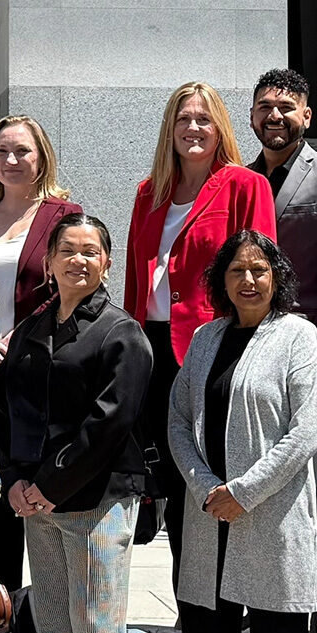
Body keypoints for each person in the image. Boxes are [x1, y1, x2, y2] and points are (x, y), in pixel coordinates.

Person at [0, 213, 152, 633]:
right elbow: (5, 407)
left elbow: (109, 424)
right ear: (50, 262)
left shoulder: (120, 333)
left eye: (90, 252)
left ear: (106, 263)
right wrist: (15, 479)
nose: (78, 260)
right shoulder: (32, 328)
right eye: (68, 251)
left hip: (98, 503)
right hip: (38, 505)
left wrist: (46, 487)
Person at [168, 230, 317, 633]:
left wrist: (242, 493)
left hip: (271, 522)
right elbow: (178, 419)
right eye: (236, 270)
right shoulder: (205, 338)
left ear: (277, 278)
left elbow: (307, 430)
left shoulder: (298, 337)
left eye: (259, 270)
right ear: (220, 280)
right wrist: (205, 487)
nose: (248, 280)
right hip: (208, 519)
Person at [123, 81, 276, 591]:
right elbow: (133, 277)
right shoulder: (150, 192)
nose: (193, 128)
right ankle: (191, 606)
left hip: (214, 345)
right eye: (183, 118)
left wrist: (248, 341)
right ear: (169, 129)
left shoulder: (243, 185)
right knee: (169, 478)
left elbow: (258, 271)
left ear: (220, 130)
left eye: (203, 119)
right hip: (153, 346)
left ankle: (227, 606)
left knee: (209, 476)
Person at [0, 114, 82, 592]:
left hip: (27, 371)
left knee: (18, 486)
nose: (11, 160)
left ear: (42, 157)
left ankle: (20, 611)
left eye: (22, 151)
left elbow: (67, 289)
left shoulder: (62, 215)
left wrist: (15, 339)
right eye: (2, 152)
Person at [246, 68, 317, 322]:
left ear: (307, 116)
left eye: (286, 107)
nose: (274, 116)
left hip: (311, 326)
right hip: (249, 324)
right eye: (264, 107)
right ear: (252, 116)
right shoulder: (243, 180)